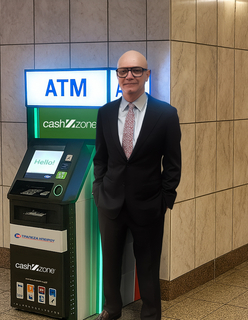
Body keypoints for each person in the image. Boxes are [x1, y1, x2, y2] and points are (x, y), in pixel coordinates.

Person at [93, 50, 182, 320]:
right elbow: (101, 158)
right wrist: (99, 190)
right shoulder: (106, 113)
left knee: (148, 263)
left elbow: (173, 163)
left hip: (149, 204)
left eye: (136, 70)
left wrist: (165, 199)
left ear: (147, 75)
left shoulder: (165, 114)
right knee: (110, 260)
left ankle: (151, 312)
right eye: (123, 71)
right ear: (117, 76)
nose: (129, 75)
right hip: (110, 202)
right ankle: (112, 308)